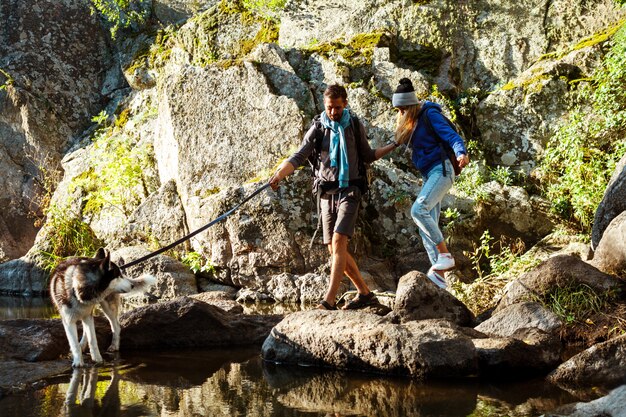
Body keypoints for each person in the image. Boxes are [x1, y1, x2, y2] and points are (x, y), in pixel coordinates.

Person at [269, 84, 399, 310]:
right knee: (333, 248)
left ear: (345, 104)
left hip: (351, 190)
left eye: (337, 108)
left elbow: (368, 155)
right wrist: (280, 174)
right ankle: (365, 294)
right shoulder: (318, 128)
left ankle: (329, 300)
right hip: (326, 194)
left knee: (339, 241)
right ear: (324, 105)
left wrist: (394, 144)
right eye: (330, 107)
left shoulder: (354, 124)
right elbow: (300, 155)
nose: (333, 112)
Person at [392, 78, 469, 288]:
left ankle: (445, 256)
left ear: (409, 105)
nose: (399, 114)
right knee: (424, 226)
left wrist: (461, 153)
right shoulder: (413, 122)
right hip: (430, 175)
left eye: (401, 109)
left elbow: (451, 136)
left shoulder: (429, 114)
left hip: (442, 170)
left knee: (418, 210)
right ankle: (440, 280)